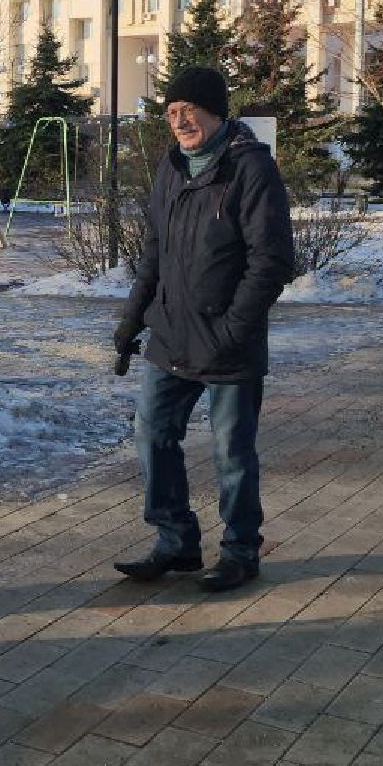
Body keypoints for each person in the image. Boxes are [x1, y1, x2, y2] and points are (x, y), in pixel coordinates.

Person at [113, 66, 297, 593]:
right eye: (171, 112)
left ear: (215, 111)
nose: (179, 121)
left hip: (228, 343)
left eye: (188, 110)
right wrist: (130, 322)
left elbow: (273, 260)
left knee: (231, 452)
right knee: (152, 434)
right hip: (170, 335)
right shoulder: (170, 169)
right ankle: (175, 540)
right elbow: (155, 252)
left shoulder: (250, 170)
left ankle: (240, 551)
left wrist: (234, 329)